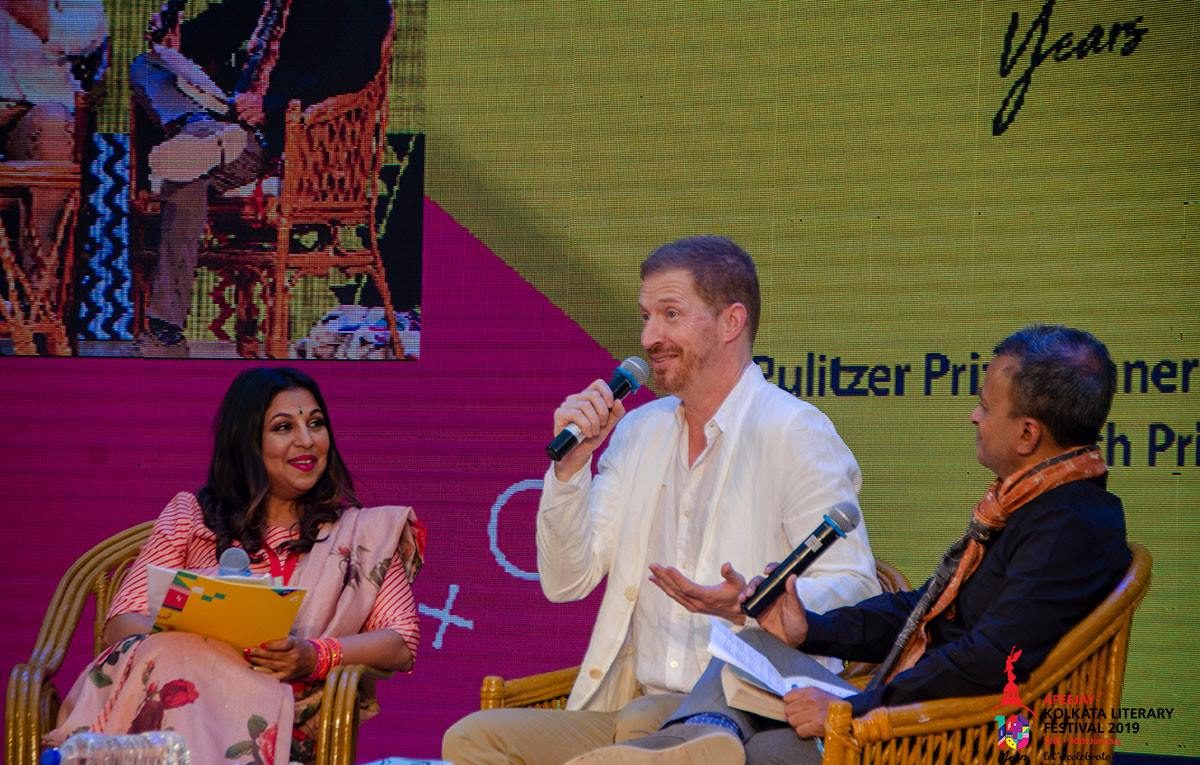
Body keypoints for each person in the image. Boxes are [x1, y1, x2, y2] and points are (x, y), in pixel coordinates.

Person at [572, 324, 1131, 765]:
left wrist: (854, 705)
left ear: (1029, 434)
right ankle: (698, 742)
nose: (974, 415)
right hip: (924, 715)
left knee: (764, 750)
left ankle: (682, 747)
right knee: (756, 650)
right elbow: (920, 611)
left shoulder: (1072, 524)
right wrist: (810, 629)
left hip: (973, 735)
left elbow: (989, 659)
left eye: (986, 405)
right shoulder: (1027, 504)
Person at [443, 235, 880, 764]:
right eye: (646, 316)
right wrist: (570, 469)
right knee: (472, 739)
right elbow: (566, 581)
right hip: (633, 703)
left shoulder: (794, 431)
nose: (650, 337)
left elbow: (856, 585)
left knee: (644, 733)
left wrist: (764, 602)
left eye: (670, 315)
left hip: (746, 709)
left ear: (730, 322)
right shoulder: (639, 432)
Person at [44, 367, 425, 765]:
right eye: (283, 427)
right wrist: (210, 643)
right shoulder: (190, 517)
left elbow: (402, 642)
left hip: (287, 709)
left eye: (316, 423)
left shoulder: (362, 532)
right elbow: (122, 622)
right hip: (180, 696)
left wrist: (315, 656)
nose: (307, 441)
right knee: (177, 655)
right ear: (246, 442)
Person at [128, 0, 392, 356]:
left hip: (282, 139)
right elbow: (209, 33)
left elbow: (354, 67)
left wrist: (272, 106)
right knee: (148, 66)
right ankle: (193, 127)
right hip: (223, 124)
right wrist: (171, 38)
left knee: (183, 175)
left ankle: (164, 329)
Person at [0, 0, 106, 266]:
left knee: (53, 127)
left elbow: (88, 34)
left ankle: (39, 282)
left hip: (33, 109)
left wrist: (39, 19)